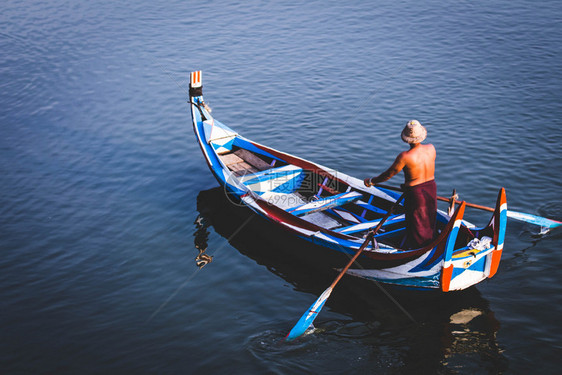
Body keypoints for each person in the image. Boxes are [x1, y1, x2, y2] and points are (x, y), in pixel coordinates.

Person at [364, 120, 437, 249]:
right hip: (430, 188)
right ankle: (430, 242)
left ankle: (418, 249)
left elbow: (388, 174)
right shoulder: (431, 148)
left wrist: (372, 181)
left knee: (416, 222)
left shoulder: (405, 156)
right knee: (428, 217)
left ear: (407, 139)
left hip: (416, 192)